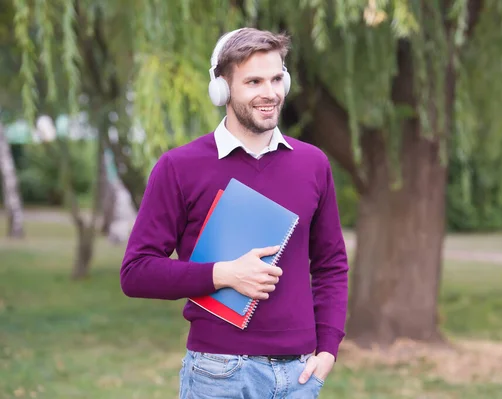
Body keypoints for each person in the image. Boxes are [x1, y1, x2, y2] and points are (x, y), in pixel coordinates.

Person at [120, 27, 349, 398]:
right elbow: (136, 273)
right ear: (222, 89)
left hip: (300, 375)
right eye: (254, 81)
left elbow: (331, 264)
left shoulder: (313, 163)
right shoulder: (179, 167)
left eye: (277, 79)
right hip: (218, 371)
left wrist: (328, 350)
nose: (270, 93)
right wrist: (223, 274)